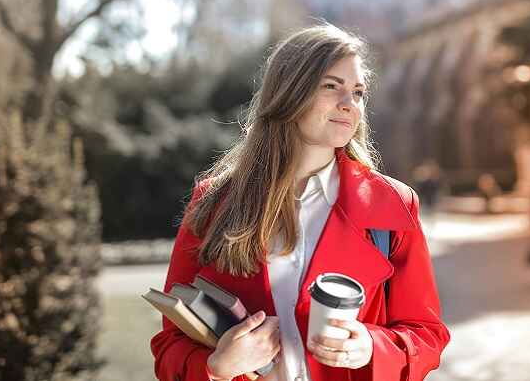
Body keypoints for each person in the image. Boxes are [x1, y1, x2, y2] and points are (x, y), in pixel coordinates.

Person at [150, 24, 450, 381]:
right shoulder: (213, 203)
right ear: (288, 93)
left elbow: (426, 335)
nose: (349, 104)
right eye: (331, 86)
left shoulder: (393, 205)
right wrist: (217, 368)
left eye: (358, 92)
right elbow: (170, 344)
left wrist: (371, 346)